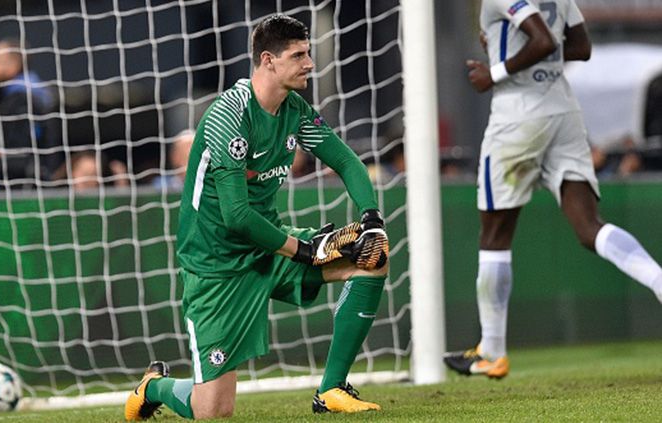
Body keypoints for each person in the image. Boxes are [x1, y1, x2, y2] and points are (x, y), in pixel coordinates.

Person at [125, 14, 389, 420]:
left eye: (307, 53)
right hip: (217, 266)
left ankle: (331, 388)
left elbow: (346, 161)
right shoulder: (229, 116)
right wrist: (304, 249)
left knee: (372, 260)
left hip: (269, 246)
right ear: (268, 60)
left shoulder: (295, 109)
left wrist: (372, 219)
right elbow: (236, 216)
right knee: (213, 410)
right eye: (298, 55)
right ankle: (154, 387)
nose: (309, 63)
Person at [443, 0, 662, 379]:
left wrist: (494, 72)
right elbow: (580, 47)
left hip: (518, 118)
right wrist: (506, 50)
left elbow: (542, 40)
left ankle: (492, 350)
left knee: (495, 235)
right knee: (588, 226)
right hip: (562, 112)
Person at [0, 38, 54, 186]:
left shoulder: (25, 100)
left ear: (14, 66)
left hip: (28, 189)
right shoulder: (10, 97)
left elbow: (25, 155)